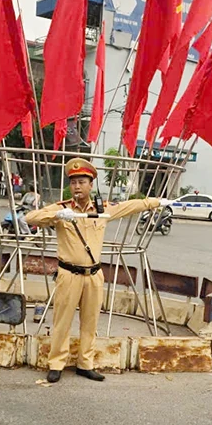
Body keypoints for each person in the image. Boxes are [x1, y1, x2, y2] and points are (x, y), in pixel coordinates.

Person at [26, 157, 171, 384]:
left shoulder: (101, 209)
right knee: (62, 321)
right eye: (73, 182)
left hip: (93, 275)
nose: (77, 186)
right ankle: (56, 363)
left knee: (90, 321)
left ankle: (86, 363)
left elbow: (128, 207)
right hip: (68, 274)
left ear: (91, 184)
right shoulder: (62, 208)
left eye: (82, 181)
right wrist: (56, 216)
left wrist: (155, 202)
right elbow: (30, 217)